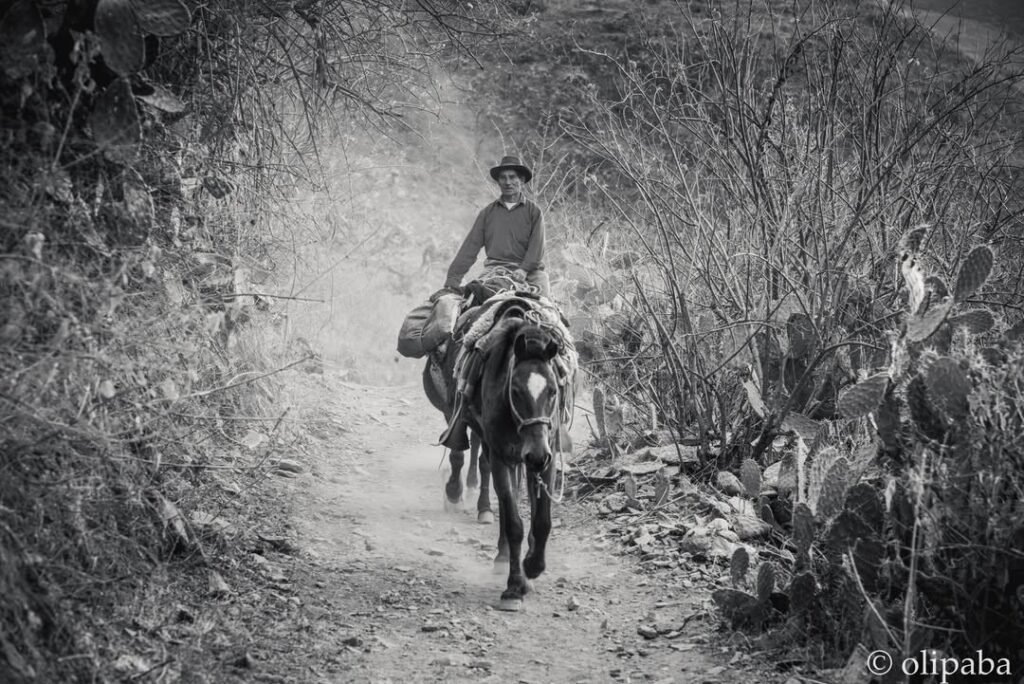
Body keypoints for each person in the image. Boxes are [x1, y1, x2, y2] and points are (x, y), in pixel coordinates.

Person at [443, 155, 549, 298]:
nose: (508, 182)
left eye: (512, 177)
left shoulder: (534, 212)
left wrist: (524, 269)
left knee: (547, 311)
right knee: (468, 304)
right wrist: (453, 280)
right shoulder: (487, 213)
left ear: (522, 180)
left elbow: (537, 247)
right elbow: (470, 248)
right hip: (494, 270)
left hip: (531, 274)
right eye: (503, 178)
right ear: (498, 182)